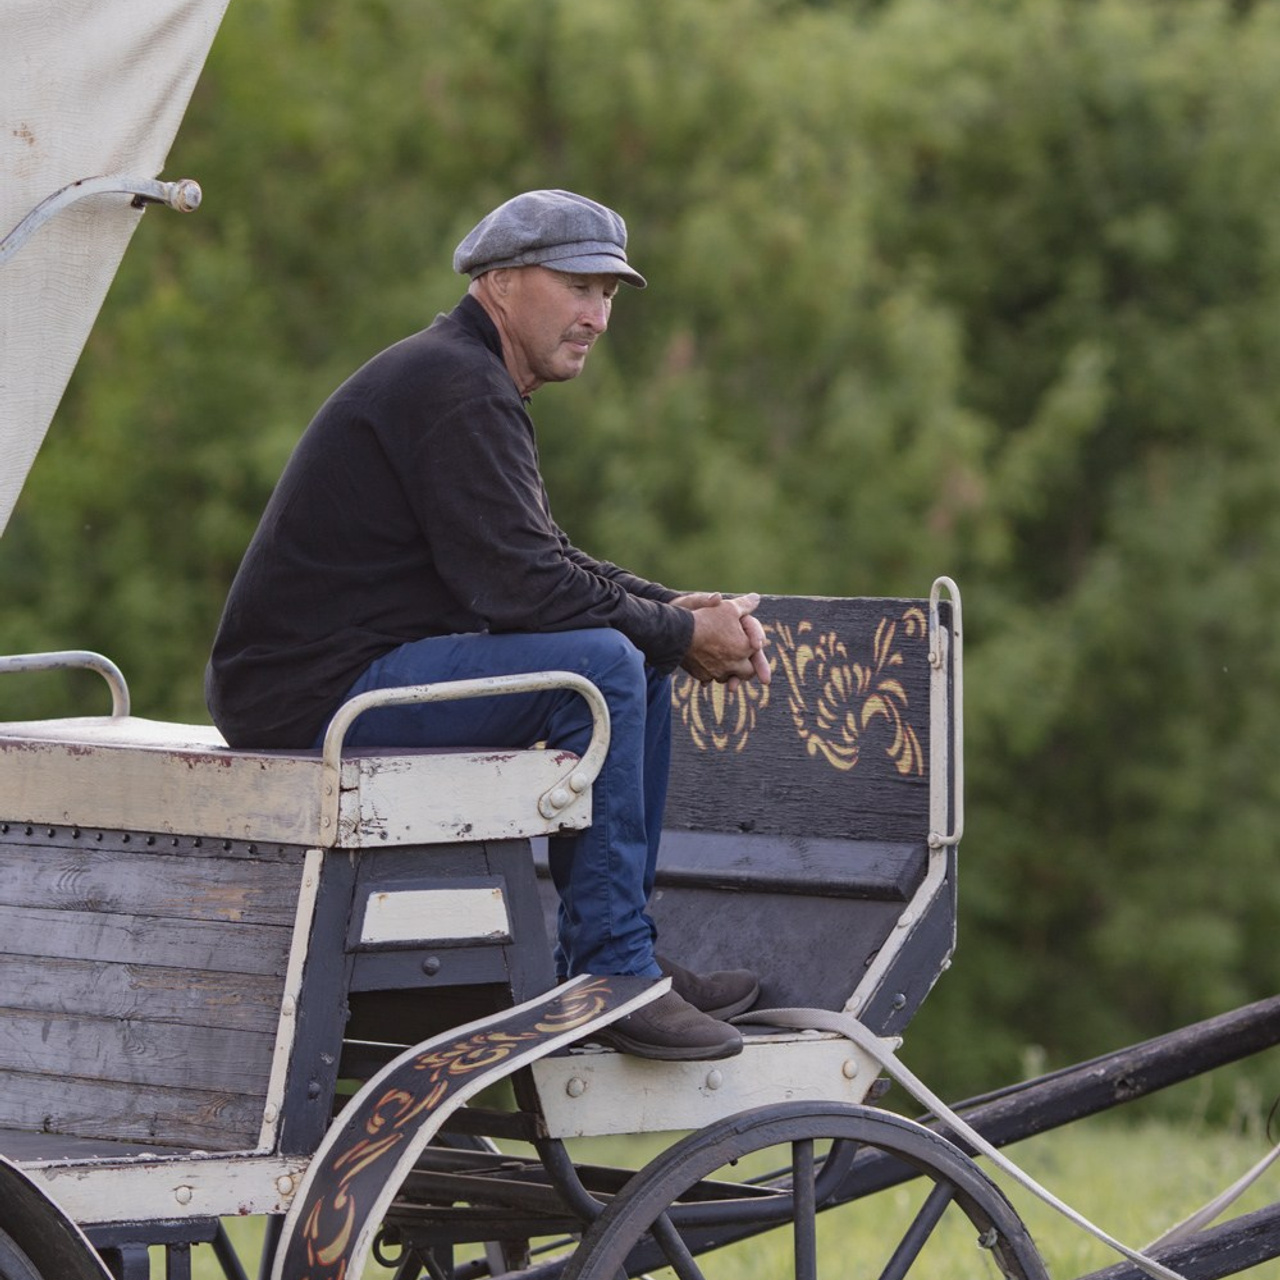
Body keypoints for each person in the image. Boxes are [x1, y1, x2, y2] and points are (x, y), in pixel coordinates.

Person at [206, 189, 771, 1060]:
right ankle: (614, 974)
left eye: (610, 294)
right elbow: (525, 590)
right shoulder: (456, 387)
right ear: (501, 281)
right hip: (311, 697)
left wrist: (675, 613)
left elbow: (536, 556)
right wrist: (673, 631)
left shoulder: (465, 376)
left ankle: (624, 956)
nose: (598, 317)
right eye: (580, 286)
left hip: (350, 675)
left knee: (629, 655)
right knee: (608, 666)